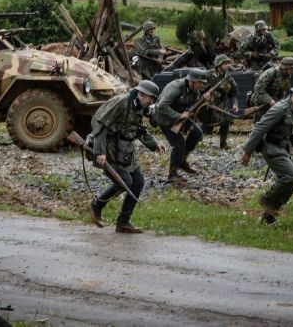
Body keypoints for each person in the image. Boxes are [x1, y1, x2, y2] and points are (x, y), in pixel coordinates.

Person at [89, 80, 166, 233]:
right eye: (150, 98)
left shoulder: (139, 107)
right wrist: (100, 151)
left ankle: (123, 222)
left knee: (138, 182)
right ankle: (96, 206)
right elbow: (99, 123)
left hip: (126, 150)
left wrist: (154, 144)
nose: (151, 101)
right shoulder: (121, 102)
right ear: (141, 93)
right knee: (124, 182)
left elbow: (138, 130)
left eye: (153, 99)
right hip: (109, 148)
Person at [240, 81, 293, 225]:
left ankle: (267, 219)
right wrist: (247, 151)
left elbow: (288, 131)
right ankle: (267, 199)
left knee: (289, 183)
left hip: (284, 148)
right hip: (272, 149)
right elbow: (259, 128)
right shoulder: (280, 108)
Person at [153, 68, 211, 184]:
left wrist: (203, 100)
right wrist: (179, 116)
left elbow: (193, 105)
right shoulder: (176, 88)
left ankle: (181, 162)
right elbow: (162, 107)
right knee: (179, 143)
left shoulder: (194, 89)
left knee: (197, 133)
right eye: (200, 83)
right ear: (192, 81)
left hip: (181, 115)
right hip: (165, 118)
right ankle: (172, 174)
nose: (201, 85)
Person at [199, 54, 239, 150]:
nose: (228, 65)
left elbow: (233, 93)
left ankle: (223, 143)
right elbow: (198, 88)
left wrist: (235, 104)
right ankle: (196, 138)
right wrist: (204, 95)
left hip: (221, 104)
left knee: (226, 120)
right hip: (207, 104)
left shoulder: (228, 78)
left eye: (228, 63)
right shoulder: (208, 74)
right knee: (206, 127)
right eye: (225, 63)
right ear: (219, 64)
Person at [249, 57, 293, 122]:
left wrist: (281, 102)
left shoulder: (287, 76)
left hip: (273, 103)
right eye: (291, 68)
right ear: (284, 67)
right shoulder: (271, 73)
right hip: (261, 102)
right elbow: (258, 87)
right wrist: (270, 100)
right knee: (260, 125)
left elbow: (282, 90)